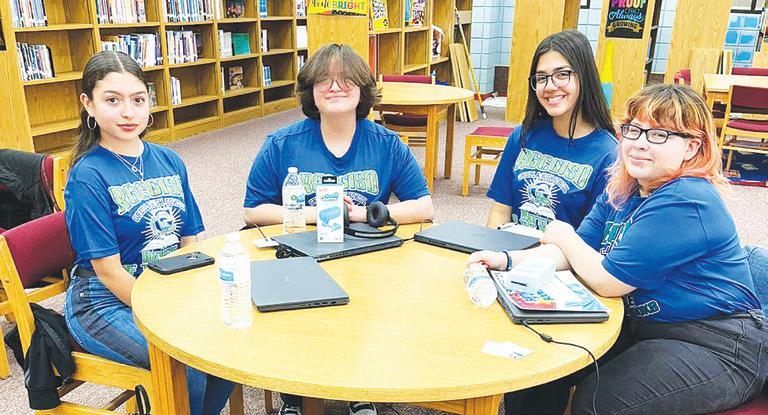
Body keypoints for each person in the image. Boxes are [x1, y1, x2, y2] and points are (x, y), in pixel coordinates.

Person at [470, 84, 768, 414]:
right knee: (544, 363)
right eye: (633, 130)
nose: (639, 143)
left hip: (718, 342)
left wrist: (564, 235)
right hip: (643, 326)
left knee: (600, 401)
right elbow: (576, 251)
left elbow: (608, 280)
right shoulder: (625, 188)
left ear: (691, 146)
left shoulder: (688, 199)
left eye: (659, 134)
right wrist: (507, 260)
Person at [243, 44, 433, 415]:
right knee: (297, 306)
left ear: (363, 89)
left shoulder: (386, 143)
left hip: (364, 255)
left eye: (346, 79)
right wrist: (317, 213)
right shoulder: (282, 143)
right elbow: (253, 210)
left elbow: (424, 206)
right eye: (324, 80)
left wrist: (361, 214)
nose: (335, 87)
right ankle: (293, 396)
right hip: (302, 252)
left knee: (369, 301)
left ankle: (360, 388)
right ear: (310, 91)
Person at [63, 51, 234, 415]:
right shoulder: (87, 176)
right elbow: (109, 273)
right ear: (88, 104)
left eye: (138, 100)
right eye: (113, 100)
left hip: (164, 286)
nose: (128, 112)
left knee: (230, 344)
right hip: (102, 302)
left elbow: (189, 240)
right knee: (186, 363)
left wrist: (190, 297)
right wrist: (167, 310)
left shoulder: (168, 160)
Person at [486, 30, 617, 232]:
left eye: (562, 74)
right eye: (541, 78)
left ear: (584, 75)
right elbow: (500, 210)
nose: (549, 86)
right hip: (509, 250)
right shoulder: (522, 137)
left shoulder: (609, 154)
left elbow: (593, 238)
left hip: (563, 253)